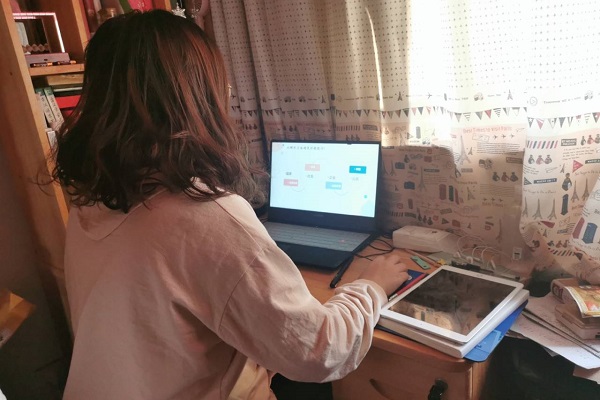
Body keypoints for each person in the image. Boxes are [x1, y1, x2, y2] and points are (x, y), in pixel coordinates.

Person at [51, 10, 409, 400]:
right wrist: (371, 286)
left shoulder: (92, 201)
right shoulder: (204, 216)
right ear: (199, 99)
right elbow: (322, 352)